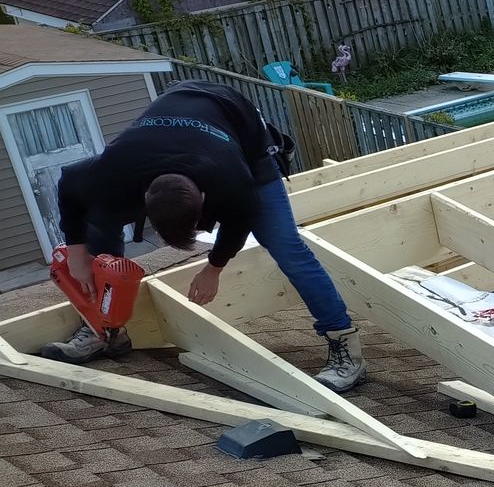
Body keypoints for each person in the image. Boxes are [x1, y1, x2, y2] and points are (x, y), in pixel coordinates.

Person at [39, 80, 367, 392]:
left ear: (207, 202)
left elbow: (241, 219)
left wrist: (214, 266)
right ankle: (105, 327)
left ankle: (345, 347)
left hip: (240, 126)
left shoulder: (233, 180)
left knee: (284, 244)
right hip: (168, 128)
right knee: (100, 221)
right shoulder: (114, 170)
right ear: (144, 204)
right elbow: (68, 182)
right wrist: (78, 250)